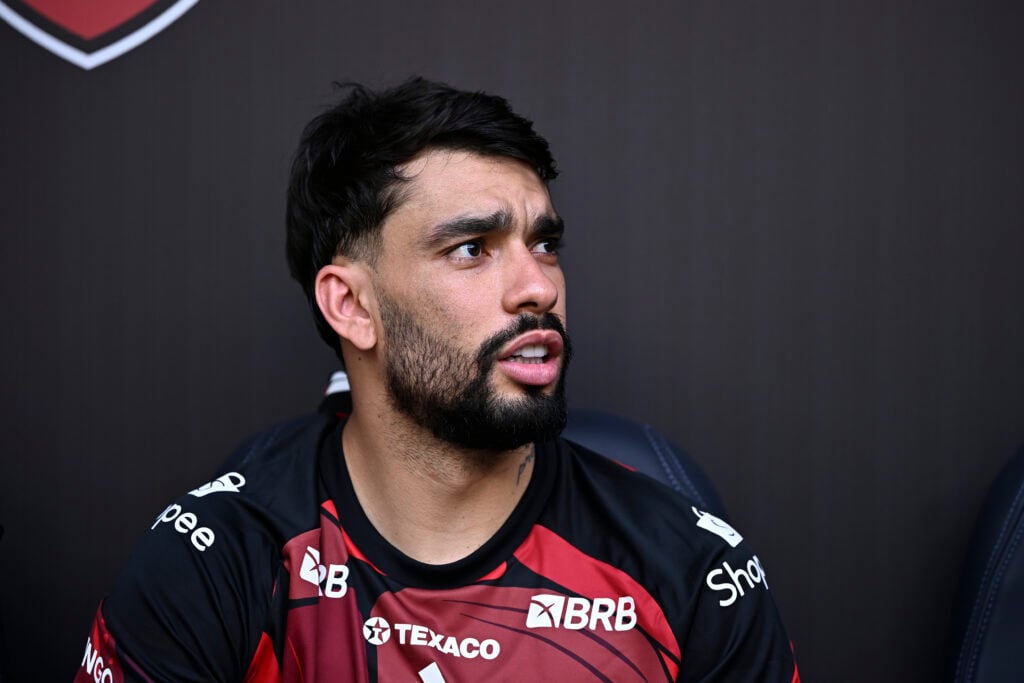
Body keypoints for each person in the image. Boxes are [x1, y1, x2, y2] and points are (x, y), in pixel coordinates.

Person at [75, 78, 799, 682]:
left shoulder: (690, 569)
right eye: (472, 248)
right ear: (352, 305)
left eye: (544, 243)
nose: (538, 286)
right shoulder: (216, 561)